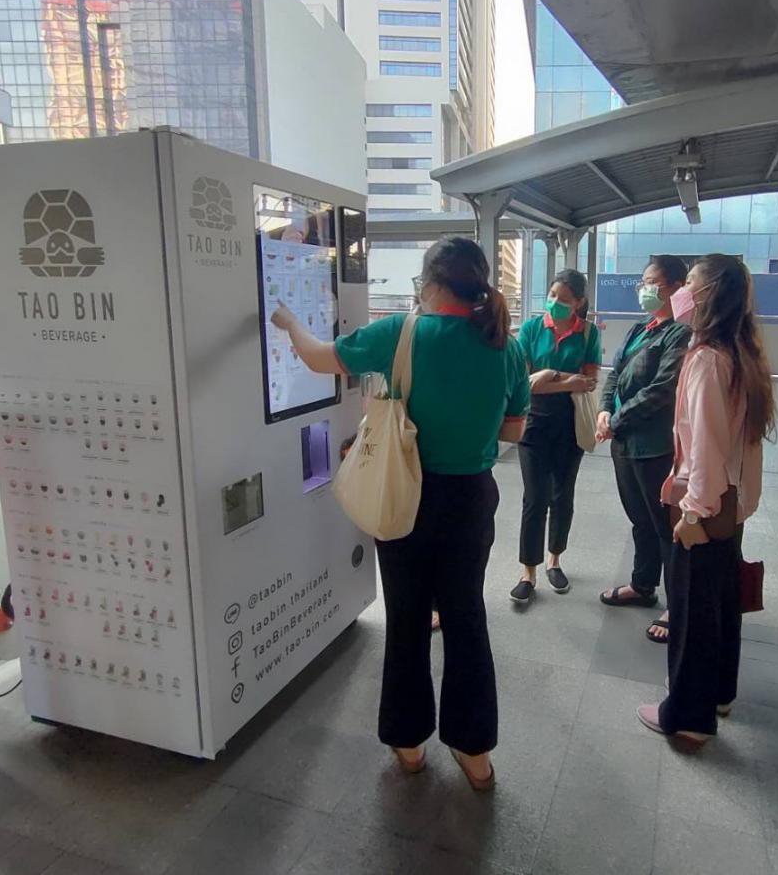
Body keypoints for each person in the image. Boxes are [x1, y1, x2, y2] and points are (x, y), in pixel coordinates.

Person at [271, 237, 529, 789]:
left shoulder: (402, 333)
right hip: (471, 499)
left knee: (408, 619)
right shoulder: (505, 345)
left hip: (404, 493)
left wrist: (288, 321)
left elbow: (321, 358)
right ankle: (475, 754)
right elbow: (514, 429)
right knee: (466, 619)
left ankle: (409, 745)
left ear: (431, 284)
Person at [636, 255, 773, 749]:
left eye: (689, 283)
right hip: (733, 502)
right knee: (721, 601)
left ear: (709, 292)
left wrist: (692, 512)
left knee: (692, 610)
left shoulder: (707, 360)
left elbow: (705, 449)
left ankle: (689, 717)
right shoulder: (742, 352)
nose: (680, 292)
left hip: (707, 504)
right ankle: (717, 694)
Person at [596, 257, 691, 646]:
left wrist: (616, 421)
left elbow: (662, 390)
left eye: (652, 282)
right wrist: (604, 410)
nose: (644, 289)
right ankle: (643, 584)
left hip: (654, 445)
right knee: (640, 518)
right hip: (624, 443)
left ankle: (676, 604)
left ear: (675, 287)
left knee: (665, 526)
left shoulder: (679, 334)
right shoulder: (641, 328)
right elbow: (615, 373)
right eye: (643, 281)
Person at [511, 269, 602, 603]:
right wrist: (565, 380)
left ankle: (554, 560)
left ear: (579, 302)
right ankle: (528, 572)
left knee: (562, 495)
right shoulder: (533, 328)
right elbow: (524, 380)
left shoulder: (589, 333)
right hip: (532, 423)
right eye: (552, 296)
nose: (555, 304)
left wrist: (547, 376)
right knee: (534, 498)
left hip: (571, 423)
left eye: (564, 300)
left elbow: (589, 381)